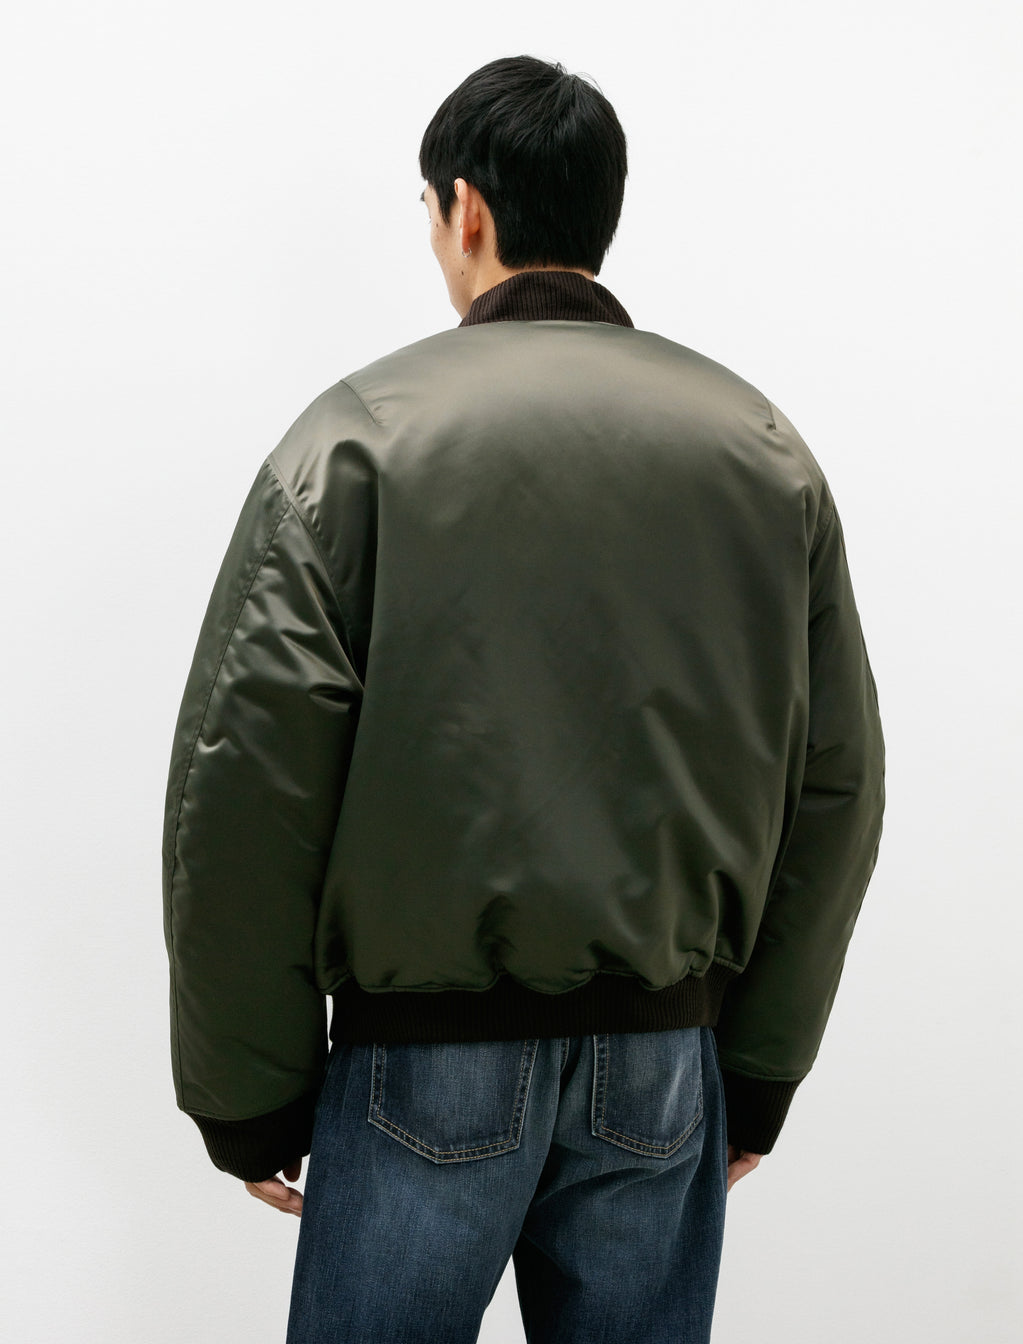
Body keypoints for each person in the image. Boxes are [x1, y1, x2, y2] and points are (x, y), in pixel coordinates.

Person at [162, 54, 884, 1343]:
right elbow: (837, 782)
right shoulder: (761, 452)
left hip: (421, 1063)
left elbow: (244, 785)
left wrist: (247, 1094)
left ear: (467, 210)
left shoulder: (357, 440)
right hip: (663, 1066)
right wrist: (759, 1069)